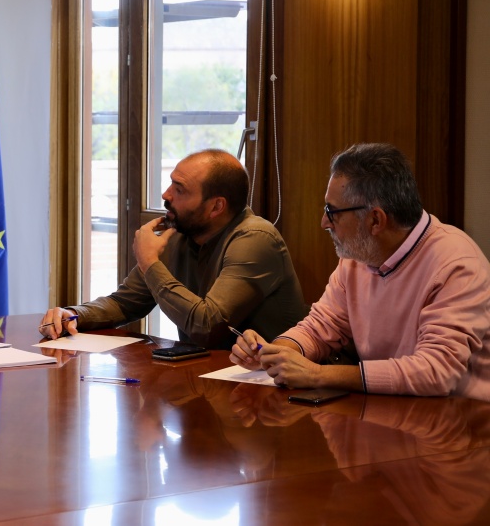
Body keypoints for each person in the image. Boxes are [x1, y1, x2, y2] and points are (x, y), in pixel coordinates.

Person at [231, 143, 490, 400]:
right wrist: (274, 353)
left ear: (375, 220)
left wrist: (317, 375)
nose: (324, 223)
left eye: (332, 212)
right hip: (388, 407)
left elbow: (436, 371)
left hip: (460, 416)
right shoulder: (359, 255)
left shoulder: (455, 264)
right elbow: (321, 326)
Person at [40, 149, 307, 349]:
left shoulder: (255, 239)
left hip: (271, 384)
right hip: (210, 376)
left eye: (180, 190)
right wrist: (74, 315)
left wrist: (149, 262)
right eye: (170, 184)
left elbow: (207, 326)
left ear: (216, 207)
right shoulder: (181, 233)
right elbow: (125, 303)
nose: (166, 195)